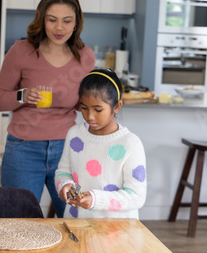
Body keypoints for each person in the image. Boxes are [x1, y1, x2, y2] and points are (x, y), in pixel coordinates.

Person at [0, 0, 95, 218]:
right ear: (42, 19)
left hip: (69, 149)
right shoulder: (21, 51)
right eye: (52, 20)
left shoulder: (85, 56)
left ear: (77, 22)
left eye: (67, 21)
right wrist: (22, 95)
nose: (60, 28)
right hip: (24, 150)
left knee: (74, 218)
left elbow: (83, 105)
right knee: (18, 222)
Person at [55, 69, 147, 219]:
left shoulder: (131, 144)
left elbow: (137, 196)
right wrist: (65, 185)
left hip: (116, 231)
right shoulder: (74, 135)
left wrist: (95, 200)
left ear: (117, 106)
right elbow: (63, 172)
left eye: (98, 110)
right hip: (77, 223)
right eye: (84, 108)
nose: (89, 116)